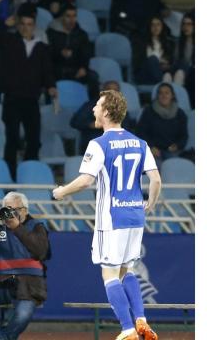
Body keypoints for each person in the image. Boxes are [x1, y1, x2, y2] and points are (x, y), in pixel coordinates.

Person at [53, 89, 162, 340]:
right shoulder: (140, 142)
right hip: (135, 216)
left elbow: (85, 181)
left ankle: (127, 329)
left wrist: (61, 192)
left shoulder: (99, 144)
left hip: (111, 218)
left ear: (106, 111)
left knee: (109, 273)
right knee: (128, 270)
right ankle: (141, 319)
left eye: (97, 105)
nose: (93, 109)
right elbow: (156, 180)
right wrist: (151, 204)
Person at [0, 2, 58, 179]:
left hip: (32, 100)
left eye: (29, 24)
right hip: (12, 99)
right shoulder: (10, 41)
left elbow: (46, 70)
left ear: (34, 26)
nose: (26, 28)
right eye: (23, 24)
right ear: (18, 25)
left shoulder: (40, 47)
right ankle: (10, 175)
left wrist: (51, 86)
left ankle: (29, 173)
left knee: (34, 139)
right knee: (13, 139)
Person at [0, 192, 50, 340]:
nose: (11, 213)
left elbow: (41, 252)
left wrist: (17, 227)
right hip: (1, 283)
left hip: (28, 286)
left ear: (25, 210)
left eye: (16, 209)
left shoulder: (36, 227)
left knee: (22, 315)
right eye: (7, 208)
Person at [136, 83, 188, 163]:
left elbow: (184, 135)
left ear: (172, 95)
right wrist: (150, 146)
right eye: (160, 93)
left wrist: (177, 145)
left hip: (172, 151)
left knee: (173, 165)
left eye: (167, 93)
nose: (163, 95)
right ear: (157, 96)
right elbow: (140, 132)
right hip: (153, 149)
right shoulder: (148, 112)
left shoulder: (180, 113)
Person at [46, 3, 95, 86]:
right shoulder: (51, 33)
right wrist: (60, 53)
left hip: (75, 69)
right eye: (68, 16)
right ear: (62, 17)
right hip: (55, 68)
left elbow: (86, 54)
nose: (72, 19)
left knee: (93, 77)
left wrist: (83, 68)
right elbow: (46, 54)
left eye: (74, 16)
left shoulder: (82, 34)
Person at [132, 16, 175, 85]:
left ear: (162, 27)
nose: (156, 27)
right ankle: (164, 86)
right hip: (145, 73)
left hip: (162, 71)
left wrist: (165, 66)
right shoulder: (141, 42)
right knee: (153, 59)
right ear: (149, 27)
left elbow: (171, 62)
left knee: (168, 73)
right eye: (153, 25)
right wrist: (157, 64)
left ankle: (165, 85)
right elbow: (138, 62)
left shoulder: (169, 43)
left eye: (158, 24)